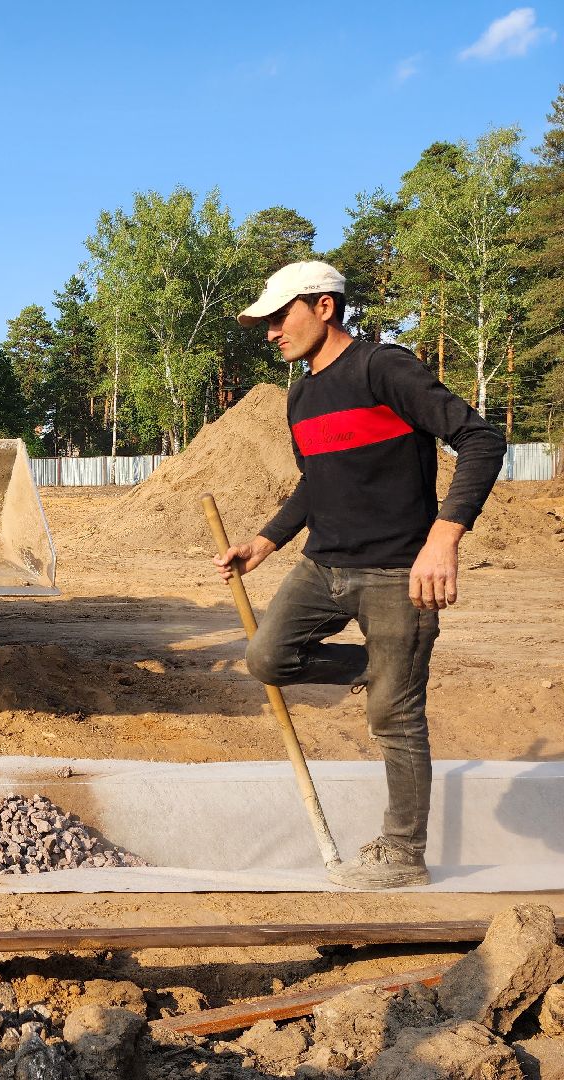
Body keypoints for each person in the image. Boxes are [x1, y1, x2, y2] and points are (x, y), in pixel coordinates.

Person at [215, 260, 505, 890]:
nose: (269, 333)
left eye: (278, 316)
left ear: (324, 307)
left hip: (400, 573)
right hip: (325, 566)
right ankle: (380, 672)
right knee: (267, 658)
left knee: (394, 719)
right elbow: (315, 483)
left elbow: (481, 440)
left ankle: (403, 855)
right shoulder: (300, 394)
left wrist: (444, 538)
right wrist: (265, 542)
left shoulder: (384, 368)